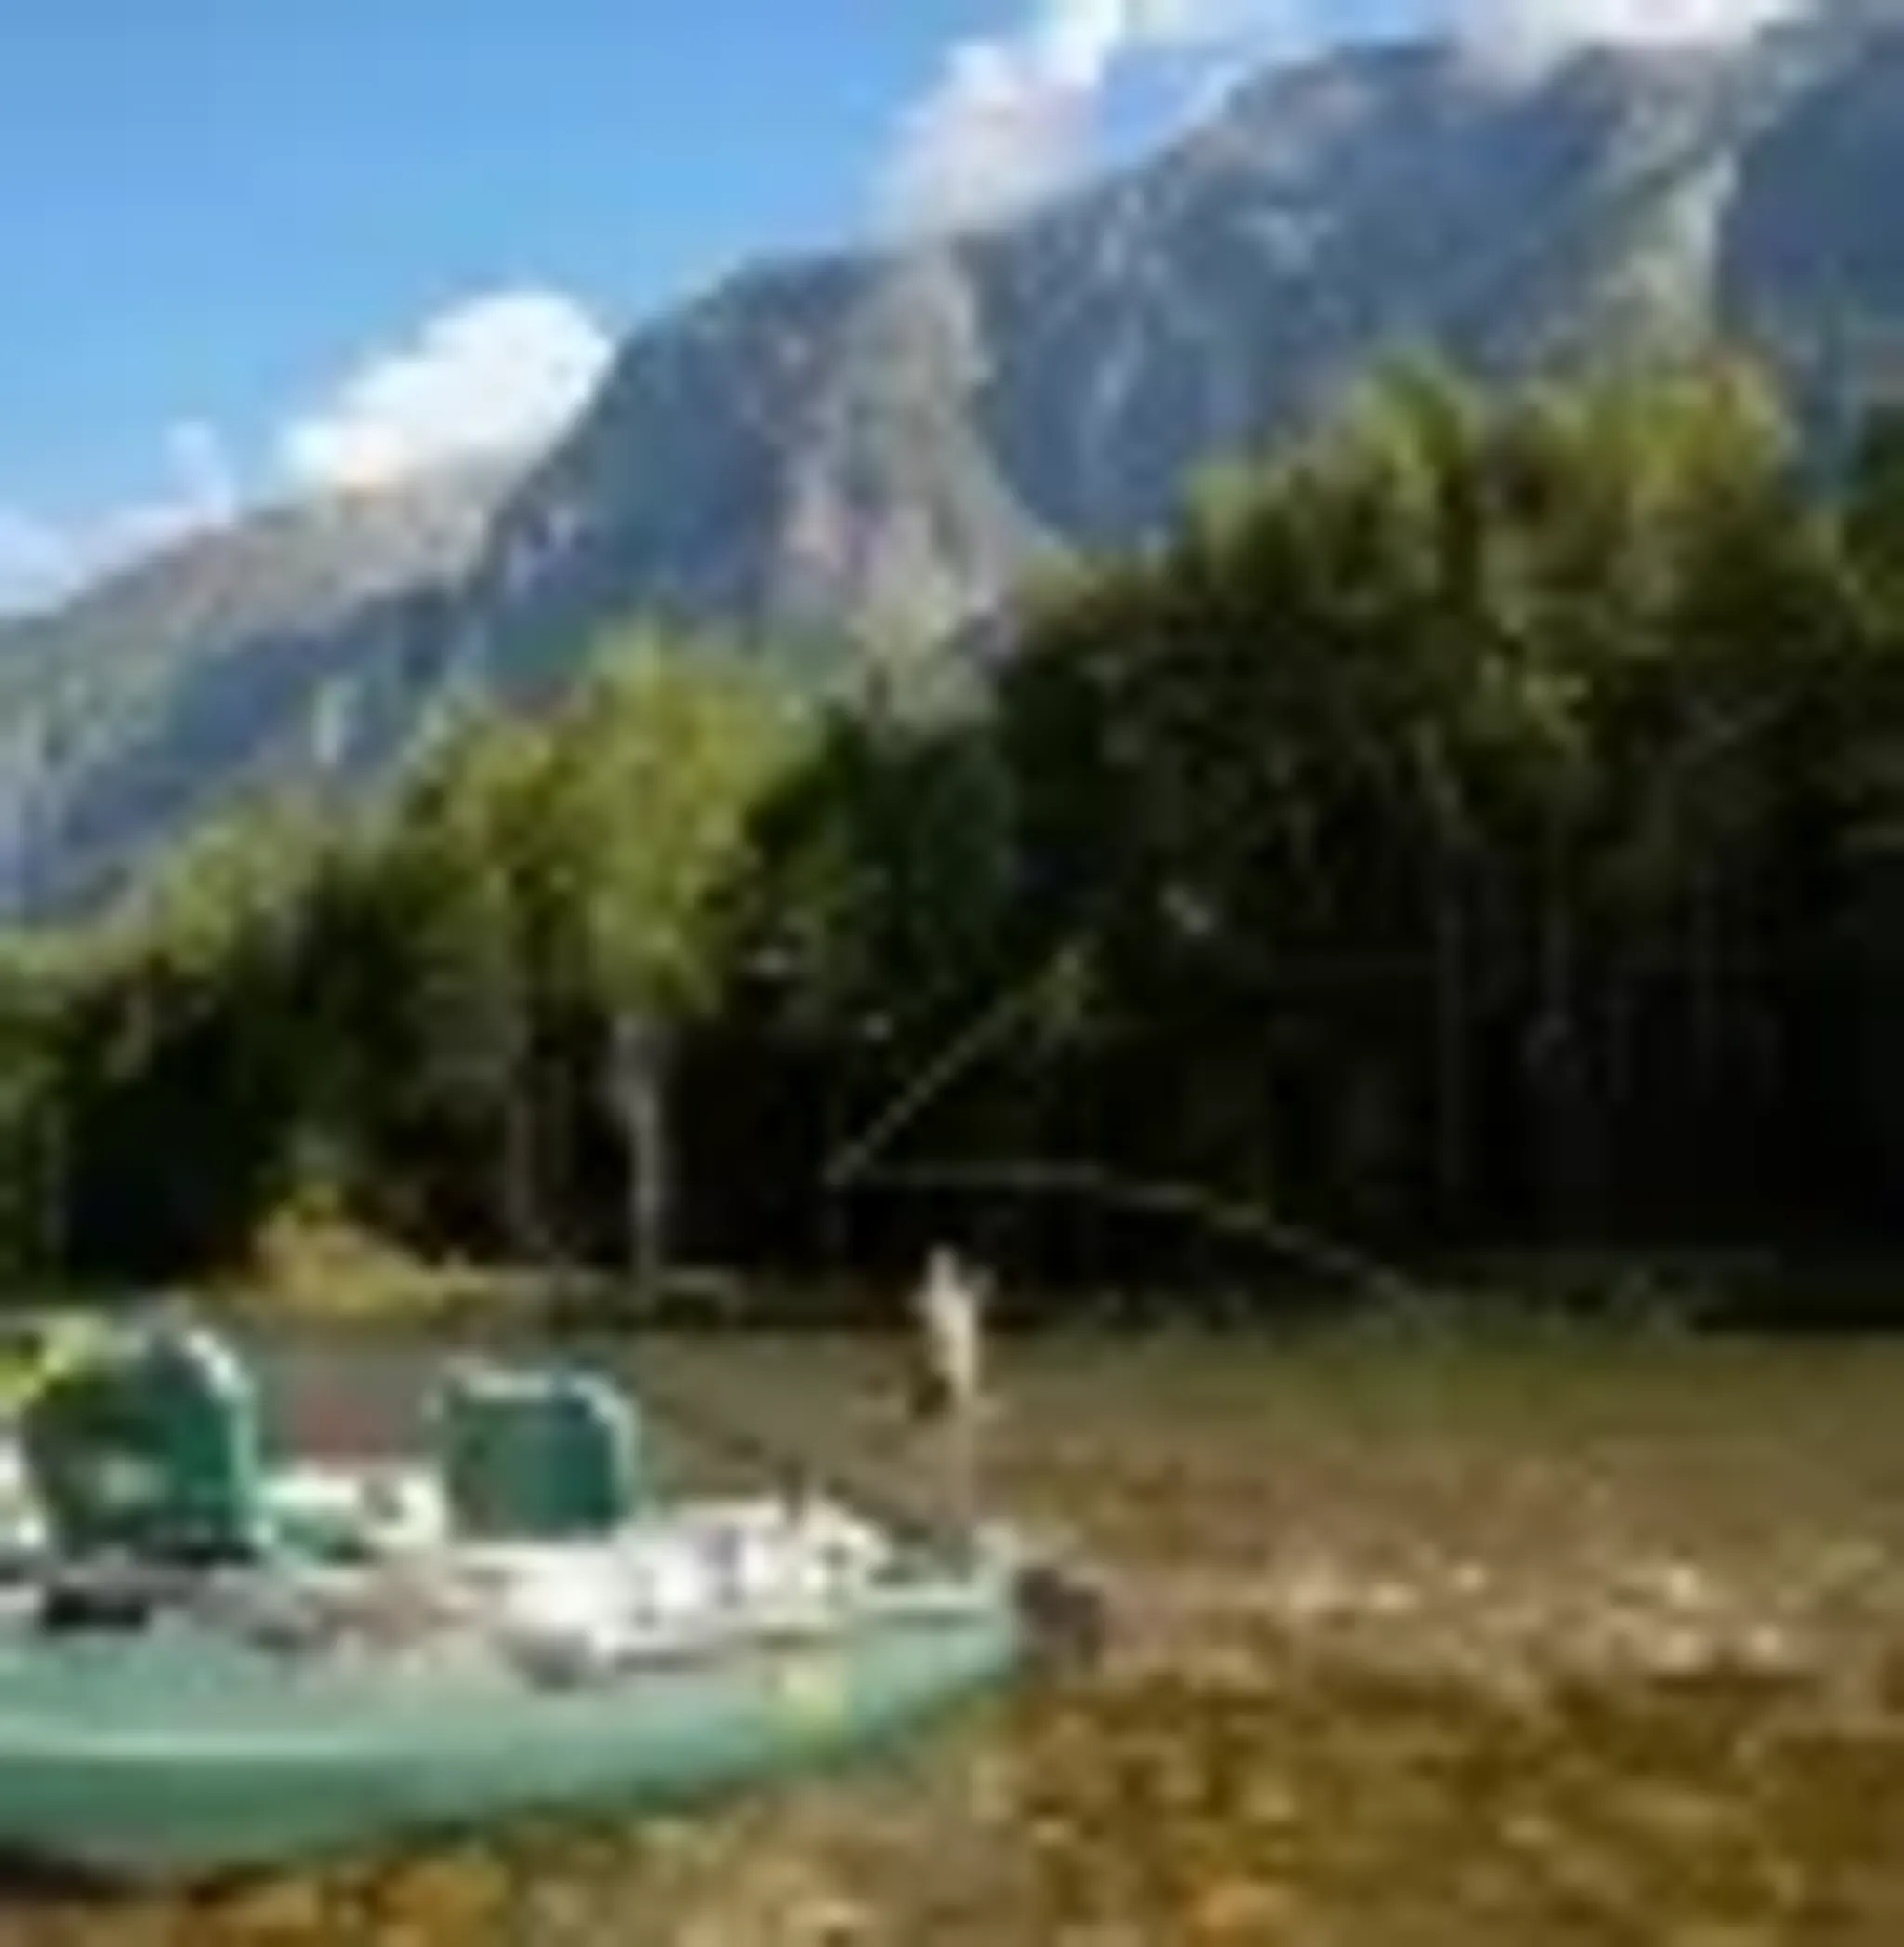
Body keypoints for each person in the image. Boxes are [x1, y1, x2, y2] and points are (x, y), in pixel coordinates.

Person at [906, 1246, 989, 1548]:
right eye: (935, 1269)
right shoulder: (939, 1301)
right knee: (939, 1451)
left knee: (952, 1452)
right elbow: (934, 1341)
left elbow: (949, 1341)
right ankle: (942, 1518)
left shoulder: (953, 1301)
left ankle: (951, 1518)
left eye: (942, 1268)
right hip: (941, 1380)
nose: (937, 1274)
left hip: (950, 1380)